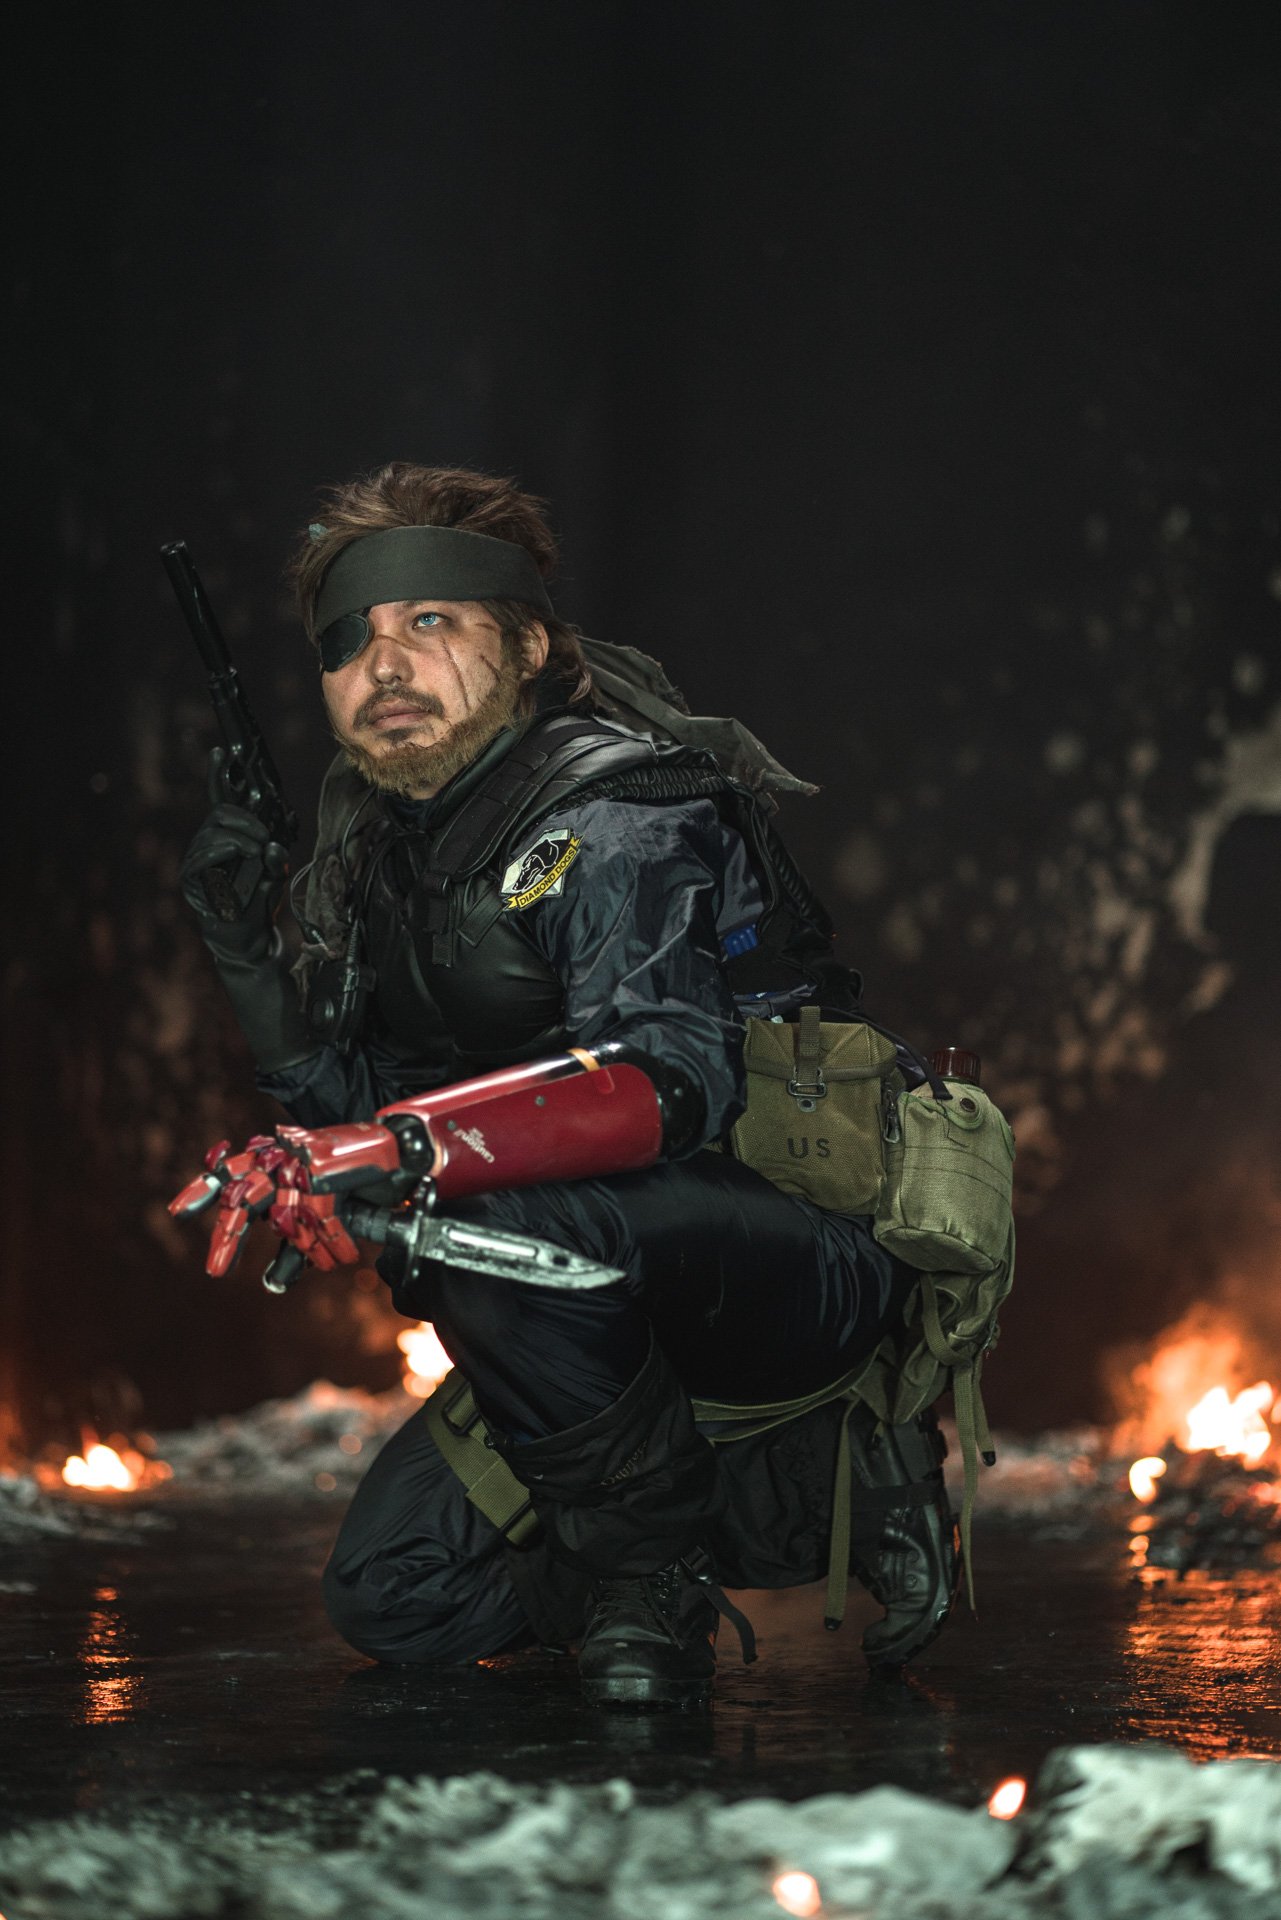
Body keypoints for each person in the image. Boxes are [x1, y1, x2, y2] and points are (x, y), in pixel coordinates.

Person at [176, 463, 958, 1710]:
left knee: (472, 1203)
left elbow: (665, 1082)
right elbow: (360, 1119)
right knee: (398, 1595)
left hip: (785, 1265)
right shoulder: (389, 850)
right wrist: (246, 953)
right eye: (349, 641)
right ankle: (750, 1511)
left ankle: (658, 1573)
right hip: (576, 1293)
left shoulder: (615, 816)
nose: (385, 665)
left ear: (529, 646)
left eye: (431, 621)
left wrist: (402, 1149)